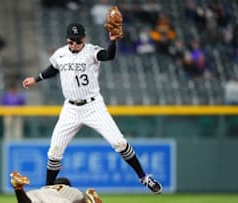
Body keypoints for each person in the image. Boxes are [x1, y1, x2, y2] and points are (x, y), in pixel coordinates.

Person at [22, 23, 162, 194]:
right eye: (71, 41)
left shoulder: (91, 51)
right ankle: (47, 192)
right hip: (70, 108)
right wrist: (35, 79)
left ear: (84, 39)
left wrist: (113, 41)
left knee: (119, 142)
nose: (74, 44)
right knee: (54, 152)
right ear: (67, 39)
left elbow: (108, 56)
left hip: (93, 106)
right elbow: (53, 69)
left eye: (77, 41)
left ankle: (144, 177)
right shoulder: (60, 53)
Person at [10, 171, 102, 203]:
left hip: (35, 193)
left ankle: (18, 188)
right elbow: (81, 200)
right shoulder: (71, 190)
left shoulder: (46, 188)